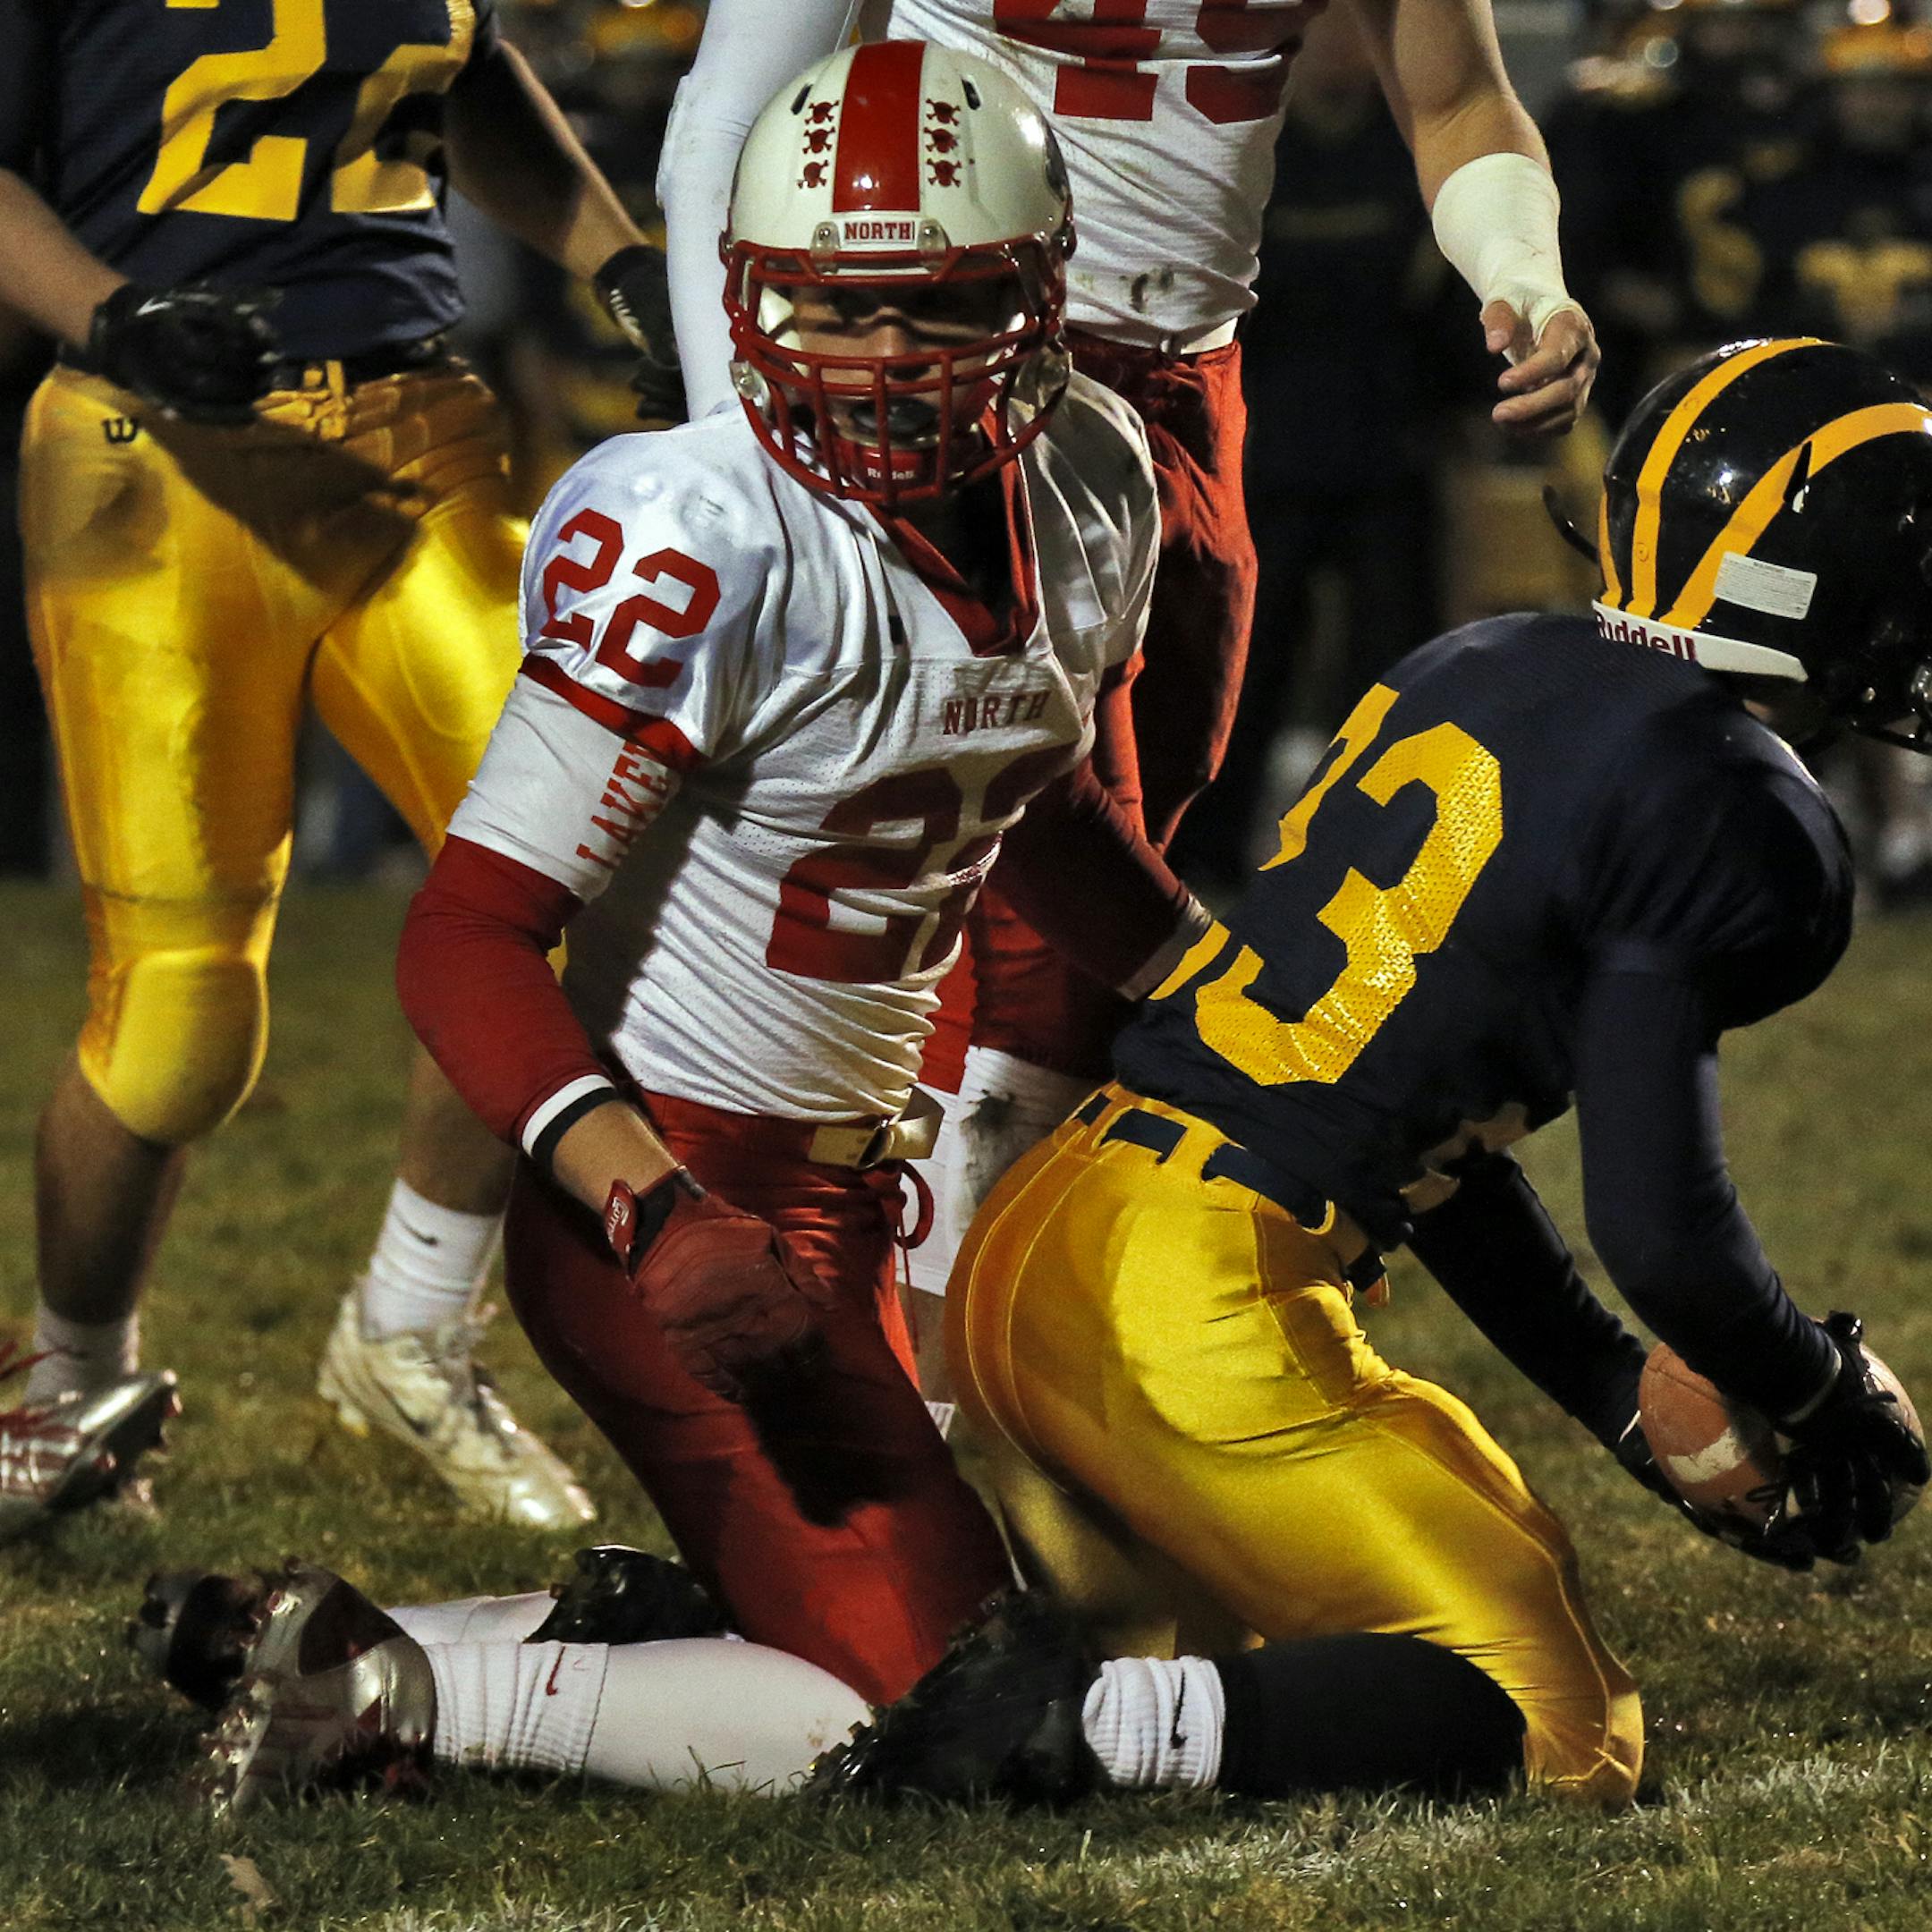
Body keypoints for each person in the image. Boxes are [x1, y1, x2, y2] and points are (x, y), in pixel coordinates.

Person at [141, 340, 1932, 1830]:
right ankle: (970, 1731)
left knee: (1137, 1642)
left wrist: (1622, 1398)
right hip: (1116, 1280)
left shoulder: (1491, 660)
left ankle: (627, 1633)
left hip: (1047, 1232)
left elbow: (1408, 1121)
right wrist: (1814, 1385)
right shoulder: (1737, 813)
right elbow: (1663, 1224)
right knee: (1552, 1731)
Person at [390, 41, 1205, 1713]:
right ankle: (386, 1684)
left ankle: (612, 1630)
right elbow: (467, 935)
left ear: (1041, 294)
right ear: (754, 296)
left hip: (864, 1186)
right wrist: (655, 1213)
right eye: (837, 307)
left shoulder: (1096, 472)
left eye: (939, 308)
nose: (885, 360)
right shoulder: (700, 527)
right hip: (675, 1195)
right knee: (950, 1703)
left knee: (1128, 1621)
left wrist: (1223, 991)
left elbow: (1030, 800)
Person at [656, 0, 1605, 1350]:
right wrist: (745, 459)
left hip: (1191, 385)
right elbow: (730, 110)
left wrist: (1524, 271)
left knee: (1111, 903)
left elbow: (1456, 98)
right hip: (951, 364)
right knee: (1023, 938)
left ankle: (940, 1343)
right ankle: (891, 1374)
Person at [0, 0, 689, 1533]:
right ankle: (70, 1392)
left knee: (583, 878)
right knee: (177, 1026)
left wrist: (613, 255)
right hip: (151, 449)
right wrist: (110, 312)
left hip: (418, 431)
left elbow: (467, 66)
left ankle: (411, 1326)